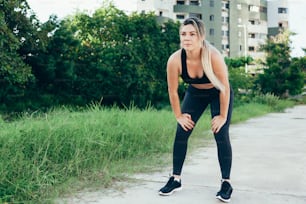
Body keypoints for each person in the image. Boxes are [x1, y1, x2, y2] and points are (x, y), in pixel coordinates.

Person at [158, 17, 234, 203]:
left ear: (201, 36)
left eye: (192, 34)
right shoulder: (175, 60)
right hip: (195, 94)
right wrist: (179, 115)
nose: (187, 38)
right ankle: (175, 179)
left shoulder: (213, 56)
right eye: (184, 34)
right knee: (181, 132)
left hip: (218, 93)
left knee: (220, 133)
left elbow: (224, 88)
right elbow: (173, 91)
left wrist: (222, 116)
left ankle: (226, 183)